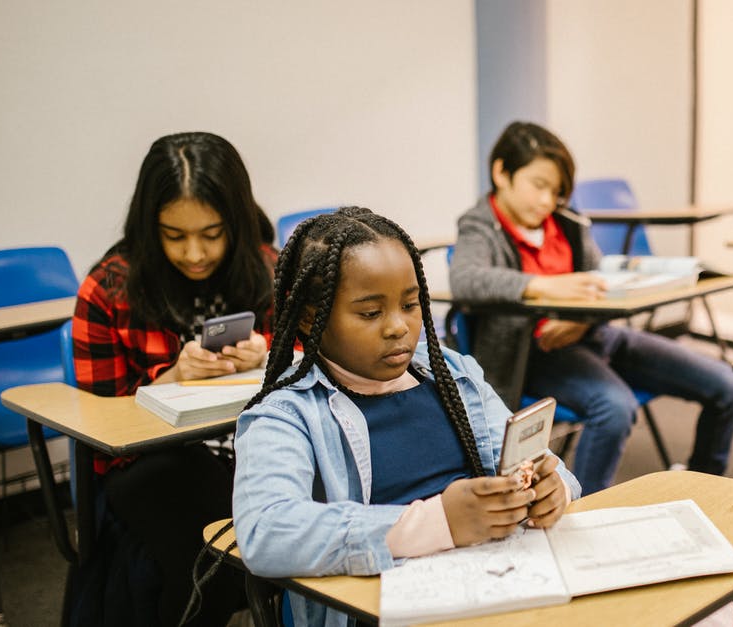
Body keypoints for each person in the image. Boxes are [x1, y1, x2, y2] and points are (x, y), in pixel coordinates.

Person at [232, 207, 580, 627]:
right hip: (383, 604)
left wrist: (553, 485)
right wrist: (438, 522)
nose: (398, 327)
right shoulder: (287, 414)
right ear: (311, 317)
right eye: (370, 313)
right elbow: (266, 531)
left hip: (494, 579)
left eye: (411, 304)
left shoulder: (452, 374)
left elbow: (538, 463)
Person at [449, 121, 733, 496]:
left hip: (595, 336)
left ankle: (706, 484)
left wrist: (583, 320)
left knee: (729, 386)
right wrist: (544, 286)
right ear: (501, 172)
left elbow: (601, 283)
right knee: (614, 408)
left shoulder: (566, 223)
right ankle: (581, 509)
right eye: (538, 185)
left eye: (556, 191)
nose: (546, 201)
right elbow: (466, 279)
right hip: (537, 353)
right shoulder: (480, 226)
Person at [72, 131, 276, 626]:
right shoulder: (109, 289)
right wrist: (170, 378)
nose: (193, 254)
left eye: (211, 234)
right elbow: (99, 430)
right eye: (173, 235)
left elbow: (316, 362)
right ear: (148, 226)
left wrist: (268, 352)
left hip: (256, 444)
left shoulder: (266, 267)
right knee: (207, 558)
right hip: (153, 463)